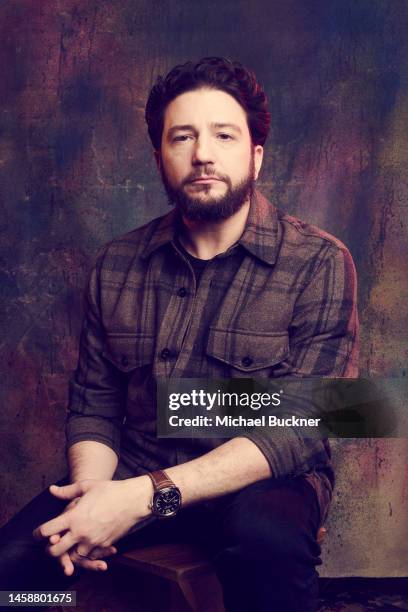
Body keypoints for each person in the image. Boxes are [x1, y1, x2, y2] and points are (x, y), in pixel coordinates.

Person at [0, 57, 359, 612]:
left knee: (265, 543)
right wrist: (95, 497)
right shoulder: (116, 263)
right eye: (182, 137)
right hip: (133, 470)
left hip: (254, 479)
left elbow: (303, 425)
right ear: (159, 158)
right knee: (14, 573)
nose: (203, 154)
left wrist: (141, 499)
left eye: (223, 134)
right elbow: (95, 401)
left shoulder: (320, 261)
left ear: (255, 156)